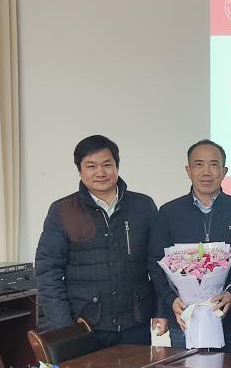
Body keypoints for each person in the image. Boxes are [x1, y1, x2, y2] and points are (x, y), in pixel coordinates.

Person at [35, 135, 158, 346]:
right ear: (80, 170)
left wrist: (161, 311)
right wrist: (65, 328)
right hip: (85, 324)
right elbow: (48, 272)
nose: (100, 172)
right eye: (91, 166)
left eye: (107, 165)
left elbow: (157, 262)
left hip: (136, 323)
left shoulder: (143, 206)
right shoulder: (62, 210)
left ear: (117, 166)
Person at [149, 140, 231, 351]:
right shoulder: (169, 213)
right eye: (199, 164)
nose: (206, 172)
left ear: (224, 171)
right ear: (188, 171)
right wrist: (171, 300)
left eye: (213, 164)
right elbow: (155, 262)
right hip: (184, 318)